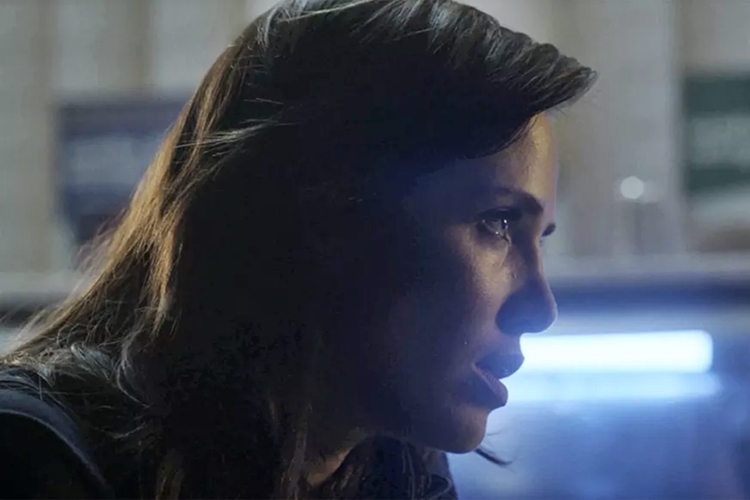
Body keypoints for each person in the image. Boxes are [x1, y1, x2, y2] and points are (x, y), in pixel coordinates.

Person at [0, 0, 595, 498]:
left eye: (539, 238)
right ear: (326, 214)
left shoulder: (395, 471)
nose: (539, 308)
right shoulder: (32, 457)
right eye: (497, 222)